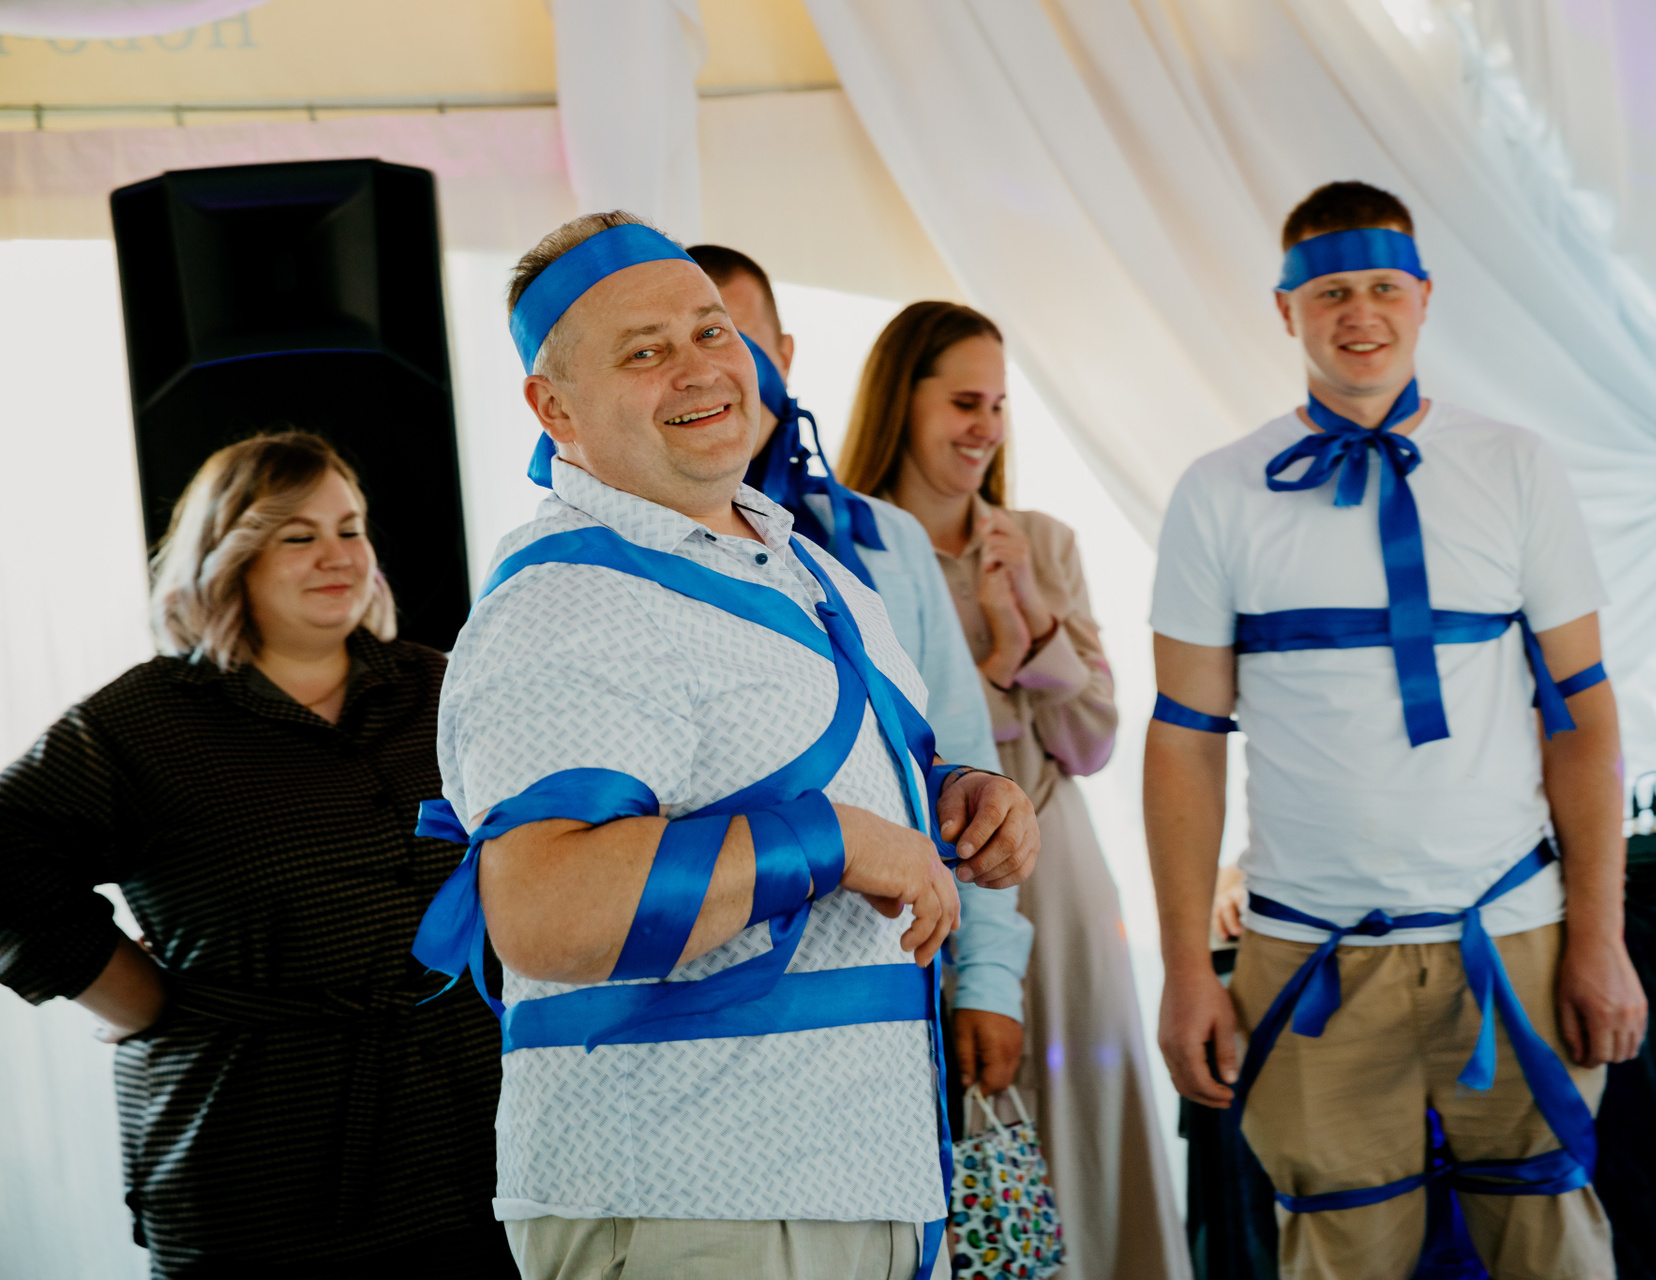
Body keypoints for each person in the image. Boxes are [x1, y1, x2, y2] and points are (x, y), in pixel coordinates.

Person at [416, 211, 1040, 1280]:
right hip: (689, 1202)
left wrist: (954, 795)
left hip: (874, 1181)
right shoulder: (566, 599)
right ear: (554, 408)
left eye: (711, 331)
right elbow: (543, 908)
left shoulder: (810, 566)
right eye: (644, 351)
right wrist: (836, 839)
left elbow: (815, 772)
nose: (700, 367)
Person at [1144, 181, 1647, 1279]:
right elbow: (1183, 737)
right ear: (1286, 309)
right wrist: (1186, 968)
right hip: (1308, 954)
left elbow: (1584, 711)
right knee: (1339, 1254)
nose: (1359, 312)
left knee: (1553, 1246)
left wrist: (1601, 936)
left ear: (1424, 296)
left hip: (1513, 937)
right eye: (1330, 291)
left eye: (1382, 286)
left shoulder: (1516, 465)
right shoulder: (1218, 491)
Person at [0, 432, 512, 1278]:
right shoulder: (141, 724)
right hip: (259, 1169)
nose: (338, 556)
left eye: (350, 529)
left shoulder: (450, 689)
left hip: (479, 1158)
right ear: (226, 556)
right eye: (298, 535)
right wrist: (134, 995)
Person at [839, 301, 1190, 1280]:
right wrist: (993, 669)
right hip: (918, 875)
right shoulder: (847, 548)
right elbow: (885, 737)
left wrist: (1028, 621)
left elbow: (1094, 739)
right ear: (900, 400)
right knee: (966, 1120)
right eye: (964, 402)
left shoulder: (1043, 541)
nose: (986, 427)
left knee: (1084, 1114)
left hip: (1057, 874)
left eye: (998, 405)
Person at [685, 242, 1032, 1101]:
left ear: (783, 352)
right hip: (716, 1007)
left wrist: (989, 981)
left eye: (728, 336)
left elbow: (961, 755)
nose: (706, 368)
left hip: (900, 977)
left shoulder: (888, 541)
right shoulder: (623, 559)